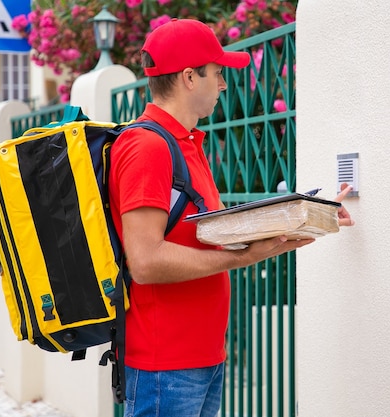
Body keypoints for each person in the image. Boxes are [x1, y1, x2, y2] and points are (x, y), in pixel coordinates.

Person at [108, 18, 354, 417]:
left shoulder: (185, 144)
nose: (223, 85)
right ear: (190, 77)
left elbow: (209, 234)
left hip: (202, 358)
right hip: (165, 367)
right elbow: (146, 262)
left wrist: (304, 216)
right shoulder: (147, 147)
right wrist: (243, 257)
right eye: (218, 74)